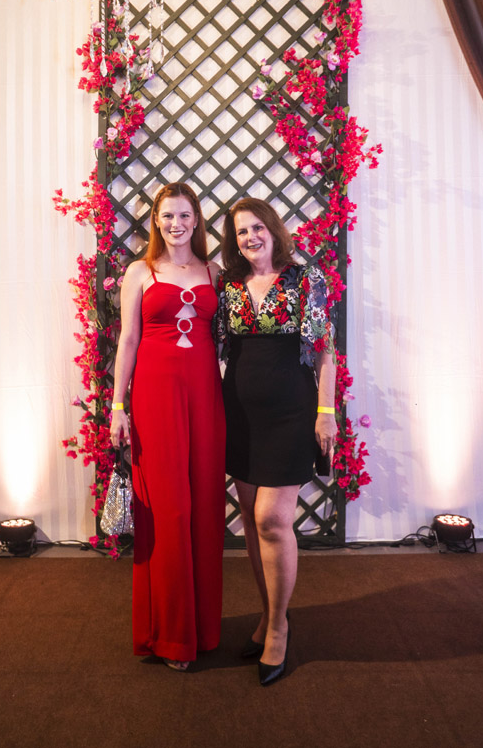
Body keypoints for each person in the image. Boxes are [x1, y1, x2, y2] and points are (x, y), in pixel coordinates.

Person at [217, 197, 338, 686]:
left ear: (273, 229)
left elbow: (325, 350)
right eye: (241, 231)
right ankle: (268, 615)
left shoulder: (306, 279)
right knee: (251, 519)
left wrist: (326, 413)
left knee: (271, 519)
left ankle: (280, 627)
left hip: (291, 412)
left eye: (257, 227)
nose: (250, 237)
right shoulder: (228, 285)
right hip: (241, 415)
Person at [110, 182, 225, 671]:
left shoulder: (215, 273)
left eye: (184, 215)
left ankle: (202, 629)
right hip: (155, 399)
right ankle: (171, 635)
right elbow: (128, 340)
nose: (176, 224)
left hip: (205, 398)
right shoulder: (140, 271)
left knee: (204, 509)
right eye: (167, 216)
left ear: (196, 220)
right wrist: (118, 405)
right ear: (155, 220)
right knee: (169, 510)